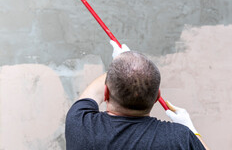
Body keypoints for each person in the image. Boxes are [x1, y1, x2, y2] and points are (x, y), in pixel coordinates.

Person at [65, 41, 209, 149]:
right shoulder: (179, 138)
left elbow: (94, 92)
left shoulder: (81, 125)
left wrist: (122, 62)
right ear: (157, 96)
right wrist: (191, 129)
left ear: (106, 93)